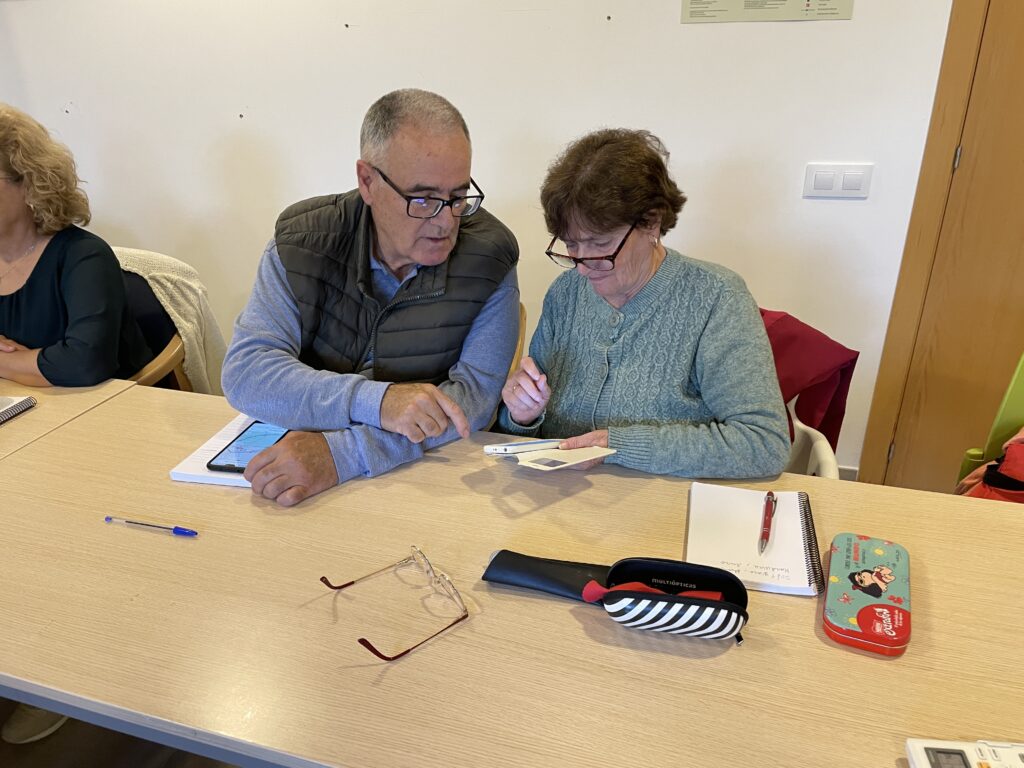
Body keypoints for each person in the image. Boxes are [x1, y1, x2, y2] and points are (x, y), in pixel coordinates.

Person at [222, 89, 520, 506]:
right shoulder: (303, 242)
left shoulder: (489, 257)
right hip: (294, 466)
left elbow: (472, 403)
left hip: (420, 482)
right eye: (423, 199)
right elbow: (247, 372)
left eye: (457, 197)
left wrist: (344, 455)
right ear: (367, 181)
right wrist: (377, 402)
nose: (446, 221)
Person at [497, 128, 789, 478]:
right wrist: (521, 414)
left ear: (651, 222)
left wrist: (618, 446)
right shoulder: (565, 292)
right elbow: (528, 432)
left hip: (661, 507)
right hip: (562, 500)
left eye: (599, 244)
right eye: (572, 245)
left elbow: (763, 444)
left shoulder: (716, 298)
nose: (583, 266)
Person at [0, 103, 152, 387]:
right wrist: (31, 364)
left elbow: (84, 364)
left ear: (29, 182)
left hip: (104, 411)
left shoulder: (85, 256)